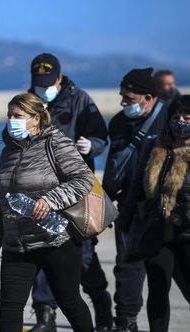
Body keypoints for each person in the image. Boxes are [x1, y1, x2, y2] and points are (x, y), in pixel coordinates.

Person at [0, 92, 94, 332]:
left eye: (18, 115)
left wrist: (51, 199)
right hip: (17, 244)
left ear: (36, 119)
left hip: (56, 239)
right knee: (10, 309)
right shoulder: (9, 152)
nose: (12, 120)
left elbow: (84, 180)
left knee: (69, 301)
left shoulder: (56, 143)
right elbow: (4, 199)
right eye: (9, 115)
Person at [27, 52, 111, 331]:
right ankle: (45, 315)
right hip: (41, 191)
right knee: (43, 250)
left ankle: (101, 302)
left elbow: (100, 134)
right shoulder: (29, 102)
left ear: (60, 78)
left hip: (76, 192)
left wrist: (93, 146)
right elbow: (11, 136)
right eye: (38, 81)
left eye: (48, 81)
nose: (43, 86)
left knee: (83, 255)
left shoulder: (81, 100)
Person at [103, 68, 169, 331]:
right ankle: (126, 321)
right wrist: (105, 204)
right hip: (129, 207)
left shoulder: (170, 118)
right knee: (127, 268)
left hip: (163, 209)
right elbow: (114, 166)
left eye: (129, 98)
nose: (123, 103)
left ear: (149, 97)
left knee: (162, 274)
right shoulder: (118, 123)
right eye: (122, 96)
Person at [117, 95, 190, 331]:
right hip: (158, 231)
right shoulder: (154, 146)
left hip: (187, 233)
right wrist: (125, 219)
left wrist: (183, 214)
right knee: (158, 288)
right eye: (176, 117)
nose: (180, 122)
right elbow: (138, 185)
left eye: (187, 118)